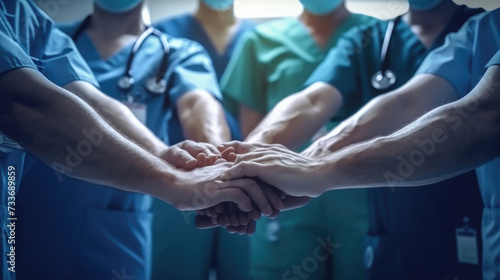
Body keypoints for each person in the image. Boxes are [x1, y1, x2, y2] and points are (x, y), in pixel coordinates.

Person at [0, 1, 280, 279]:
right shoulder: (51, 31)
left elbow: (94, 102)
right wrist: (172, 179)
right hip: (28, 220)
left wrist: (216, 164)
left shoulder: (34, 24)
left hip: (115, 235)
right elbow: (25, 104)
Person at [219, 7, 500, 279]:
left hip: (467, 216)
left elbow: (484, 118)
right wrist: (244, 162)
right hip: (394, 229)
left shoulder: (476, 25)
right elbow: (402, 103)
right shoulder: (478, 31)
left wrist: (317, 171)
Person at [220, 0, 374, 278]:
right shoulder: (261, 42)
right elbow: (252, 142)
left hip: (363, 199)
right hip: (282, 204)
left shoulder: (376, 36)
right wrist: (234, 173)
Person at [153, 1, 255, 278]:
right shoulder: (163, 36)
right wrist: (222, 169)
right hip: (182, 174)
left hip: (251, 181)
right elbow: (194, 104)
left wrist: (222, 172)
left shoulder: (260, 38)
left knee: (243, 267)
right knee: (176, 267)